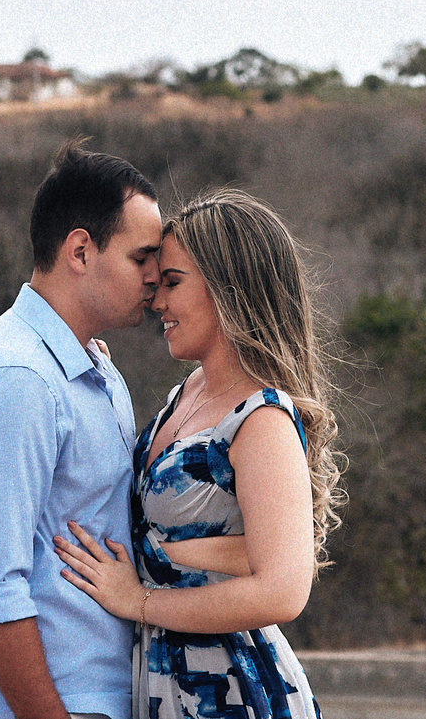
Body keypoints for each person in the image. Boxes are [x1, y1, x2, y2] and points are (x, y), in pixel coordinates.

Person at [53, 189, 346, 719]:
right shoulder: (186, 393)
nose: (157, 301)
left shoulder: (262, 419)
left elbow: (284, 591)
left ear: (227, 287)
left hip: (230, 690)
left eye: (173, 283)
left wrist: (137, 601)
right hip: (161, 680)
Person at [0, 142, 163, 719]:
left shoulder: (95, 369)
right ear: (81, 251)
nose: (155, 277)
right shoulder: (17, 379)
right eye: (141, 258)